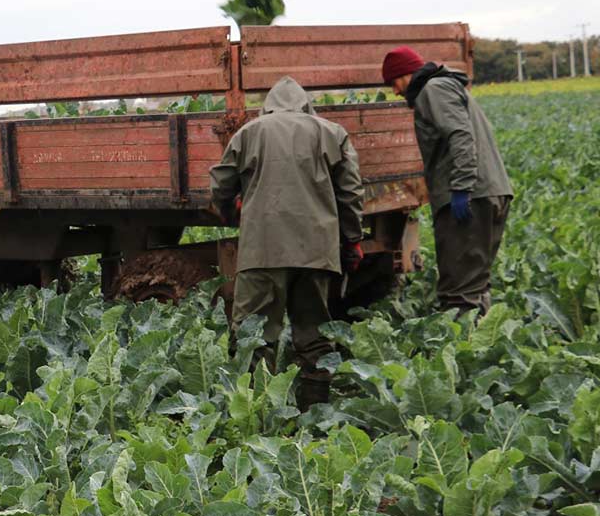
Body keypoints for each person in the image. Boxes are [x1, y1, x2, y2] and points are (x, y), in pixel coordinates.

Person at [210, 76, 364, 410]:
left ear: (268, 106)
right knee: (314, 334)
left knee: (253, 335)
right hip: (317, 252)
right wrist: (352, 240)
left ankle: (259, 413)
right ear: (306, 105)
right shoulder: (332, 133)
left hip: (262, 250)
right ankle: (315, 411)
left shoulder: (249, 132)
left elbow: (221, 184)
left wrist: (230, 212)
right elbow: (351, 192)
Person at [382, 47, 514, 315]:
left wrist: (462, 188)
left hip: (471, 197)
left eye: (394, 82)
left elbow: (460, 136)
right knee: (475, 283)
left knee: (458, 291)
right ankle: (482, 335)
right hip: (490, 193)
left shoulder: (433, 90)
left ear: (407, 73)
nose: (395, 91)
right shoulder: (448, 87)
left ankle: (464, 340)